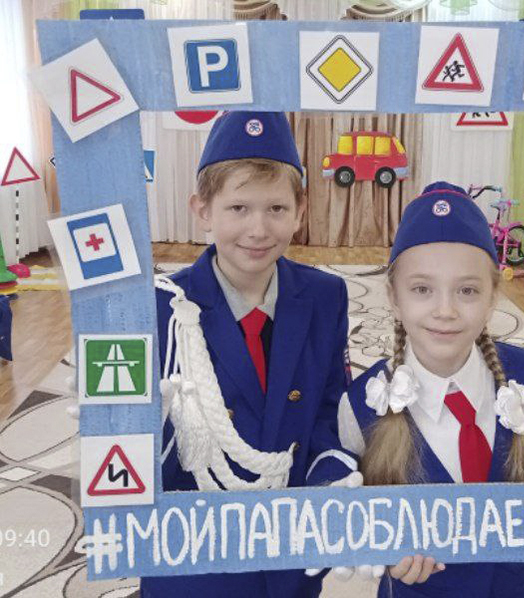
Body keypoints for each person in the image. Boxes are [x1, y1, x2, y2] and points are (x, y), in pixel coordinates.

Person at [140, 111, 360, 598]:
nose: (258, 229)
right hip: (196, 555)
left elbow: (330, 407)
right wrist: (115, 418)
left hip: (290, 544)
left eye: (277, 208)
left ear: (300, 211)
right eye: (238, 208)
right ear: (202, 210)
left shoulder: (325, 296)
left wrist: (332, 476)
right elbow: (144, 449)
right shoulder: (160, 307)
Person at [337, 181, 524, 597]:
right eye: (422, 289)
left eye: (467, 290)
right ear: (393, 298)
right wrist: (382, 553)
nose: (445, 310)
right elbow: (347, 518)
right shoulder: (361, 402)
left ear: (492, 298)